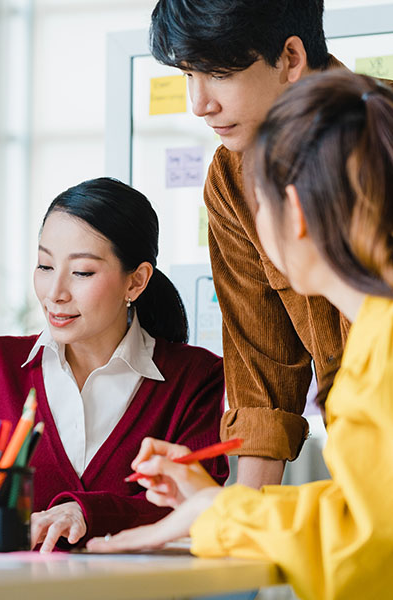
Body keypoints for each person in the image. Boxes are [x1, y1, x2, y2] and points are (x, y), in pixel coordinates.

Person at [88, 71, 393, 600]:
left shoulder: (381, 351)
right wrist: (217, 504)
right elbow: (367, 513)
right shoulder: (373, 336)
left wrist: (220, 514)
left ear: (293, 212)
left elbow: (365, 548)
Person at [0, 178, 227, 552]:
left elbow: (197, 508)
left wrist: (84, 513)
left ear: (136, 281)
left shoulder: (196, 378)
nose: (54, 293)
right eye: (45, 266)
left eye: (82, 272)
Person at [149, 0, 348, 488]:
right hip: (361, 474)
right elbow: (261, 375)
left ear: (291, 58)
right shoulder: (230, 177)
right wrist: (236, 529)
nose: (199, 104)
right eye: (187, 75)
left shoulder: (376, 141)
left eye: (218, 73)